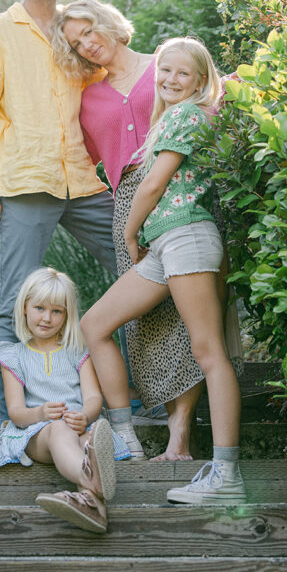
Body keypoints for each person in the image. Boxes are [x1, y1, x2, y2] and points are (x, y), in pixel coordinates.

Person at [0, 0, 117, 426]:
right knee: (11, 301)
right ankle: (10, 424)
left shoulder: (77, 31)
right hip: (26, 180)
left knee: (140, 270)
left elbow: (113, 85)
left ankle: (130, 398)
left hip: (85, 180)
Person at [79, 37, 246, 504]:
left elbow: (153, 184)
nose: (171, 80)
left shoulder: (189, 114)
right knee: (94, 324)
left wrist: (130, 232)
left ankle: (226, 475)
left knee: (208, 352)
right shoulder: (169, 119)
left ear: (200, 81)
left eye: (183, 74)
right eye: (165, 71)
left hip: (187, 237)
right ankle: (124, 435)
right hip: (167, 245)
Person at [52, 0, 206, 461]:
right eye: (77, 42)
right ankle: (134, 434)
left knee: (188, 322)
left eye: (90, 31)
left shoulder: (163, 66)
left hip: (181, 196)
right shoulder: (87, 96)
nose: (88, 43)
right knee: (148, 325)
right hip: (129, 206)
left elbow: (209, 94)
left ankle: (181, 439)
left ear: (110, 23)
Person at [0, 267, 128, 533]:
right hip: (37, 436)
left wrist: (85, 415)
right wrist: (39, 413)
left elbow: (94, 396)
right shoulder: (14, 355)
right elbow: (15, 412)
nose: (47, 318)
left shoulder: (77, 350)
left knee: (92, 439)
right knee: (59, 428)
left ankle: (94, 507)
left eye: (57, 311)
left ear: (67, 315)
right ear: (25, 307)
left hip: (77, 429)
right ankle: (90, 478)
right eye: (39, 308)